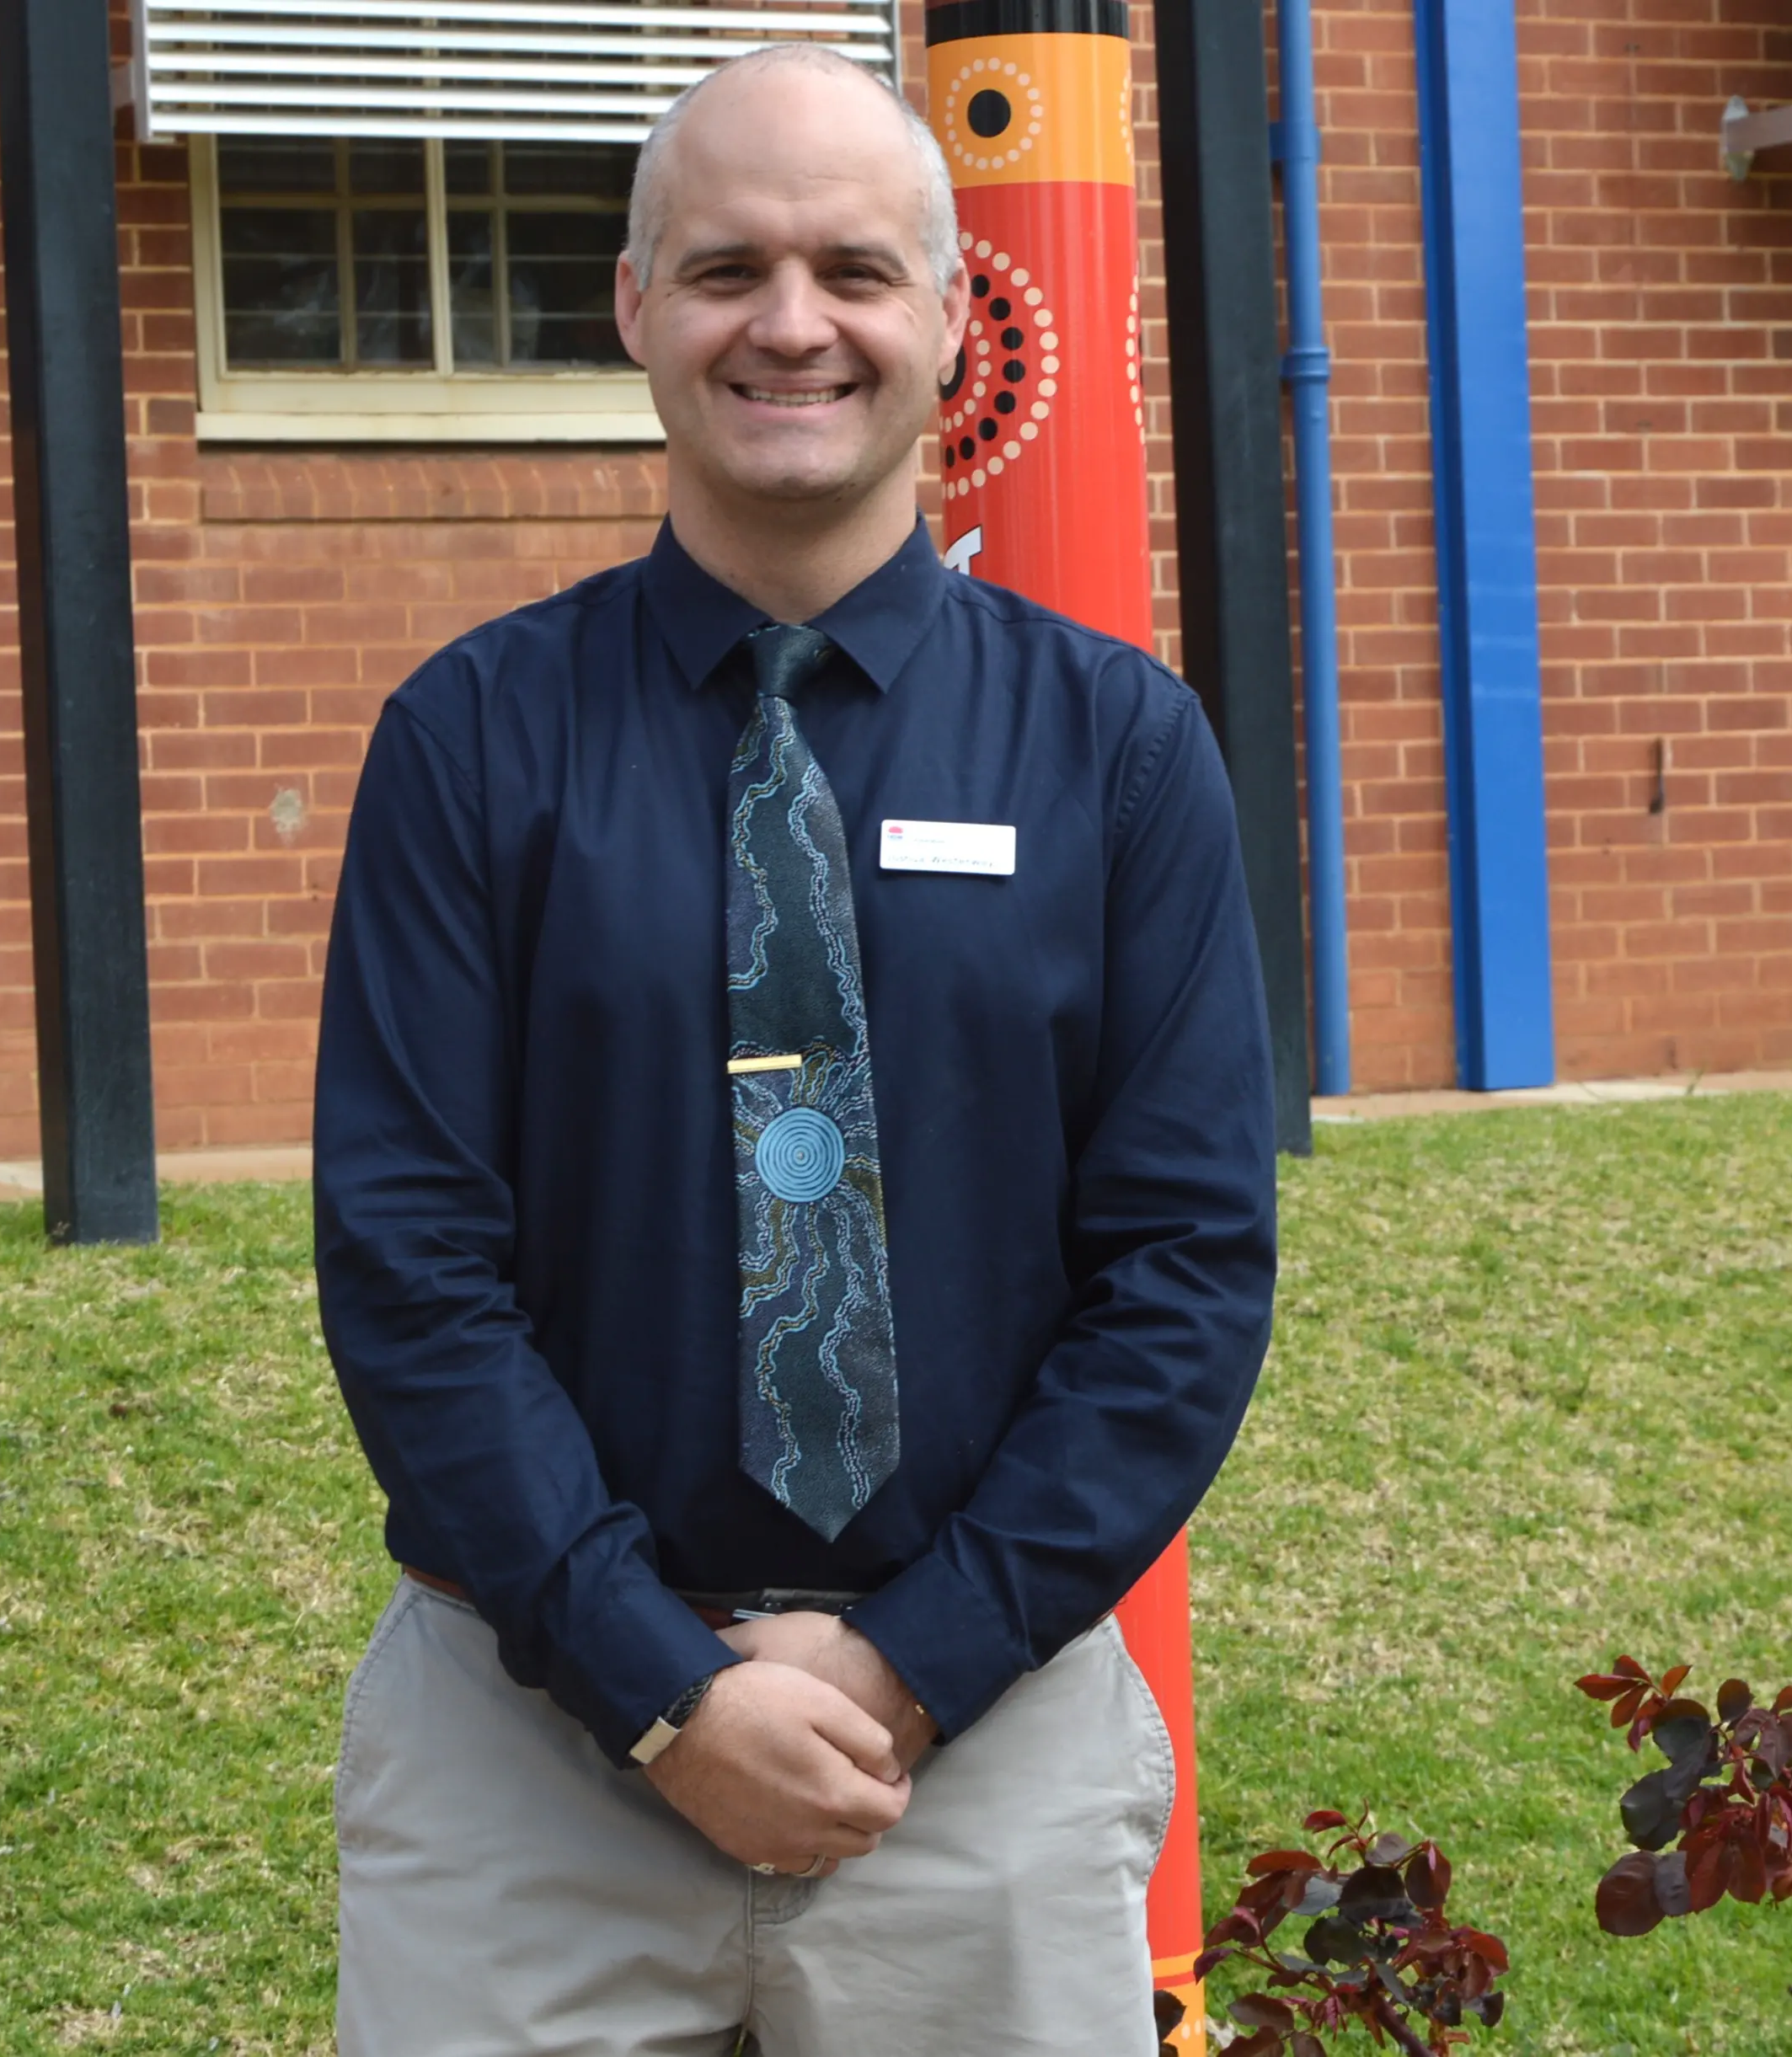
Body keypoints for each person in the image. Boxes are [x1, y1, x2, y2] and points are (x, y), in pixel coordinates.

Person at [311, 41, 1278, 2053]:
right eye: (727, 264)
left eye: (852, 267)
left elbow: (1184, 1272)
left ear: (948, 316)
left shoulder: (1121, 753)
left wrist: (913, 1661)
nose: (791, 322)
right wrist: (659, 1684)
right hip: (528, 1756)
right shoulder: (472, 746)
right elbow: (411, 1267)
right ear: (636, 310)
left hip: (976, 1757)